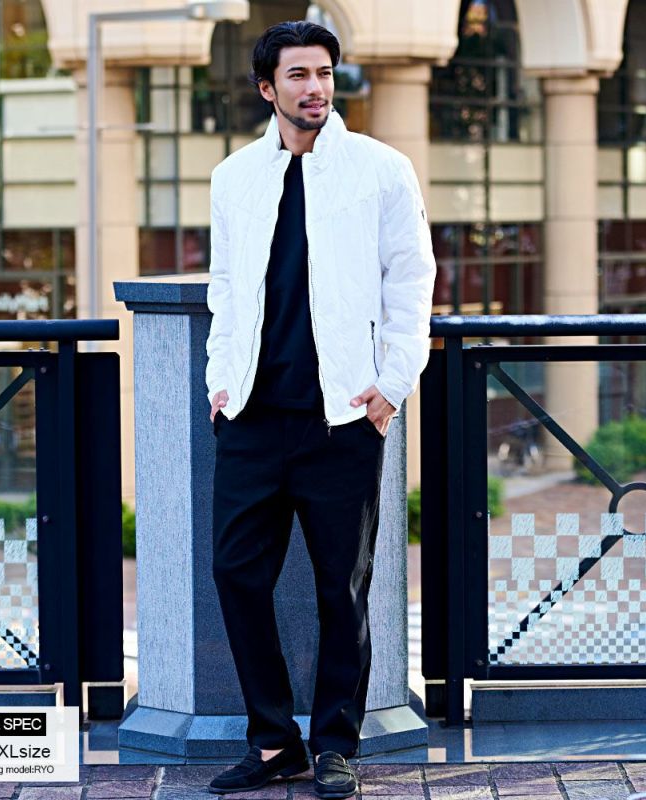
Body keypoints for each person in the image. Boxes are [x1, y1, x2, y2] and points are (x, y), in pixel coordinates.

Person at [205, 19, 436, 798]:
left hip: (343, 417)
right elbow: (226, 287)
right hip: (252, 415)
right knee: (236, 575)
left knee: (343, 588)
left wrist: (392, 384)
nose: (315, 88)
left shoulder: (381, 169)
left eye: (324, 73)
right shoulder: (234, 177)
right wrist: (218, 380)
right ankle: (275, 742)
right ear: (266, 88)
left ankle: (336, 745)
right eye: (298, 75)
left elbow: (412, 281)